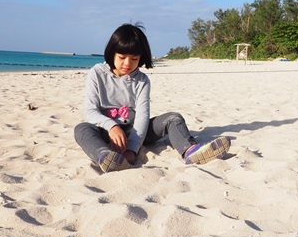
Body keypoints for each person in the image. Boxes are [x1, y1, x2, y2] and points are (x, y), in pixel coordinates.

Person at [74, 23, 231, 173]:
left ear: (141, 57)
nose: (127, 64)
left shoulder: (142, 80)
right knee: (82, 129)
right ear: (111, 52)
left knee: (173, 118)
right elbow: (91, 112)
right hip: (105, 132)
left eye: (134, 59)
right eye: (122, 57)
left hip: (135, 131)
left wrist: (132, 149)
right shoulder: (97, 73)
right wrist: (111, 127)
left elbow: (142, 117)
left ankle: (190, 150)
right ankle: (105, 155)